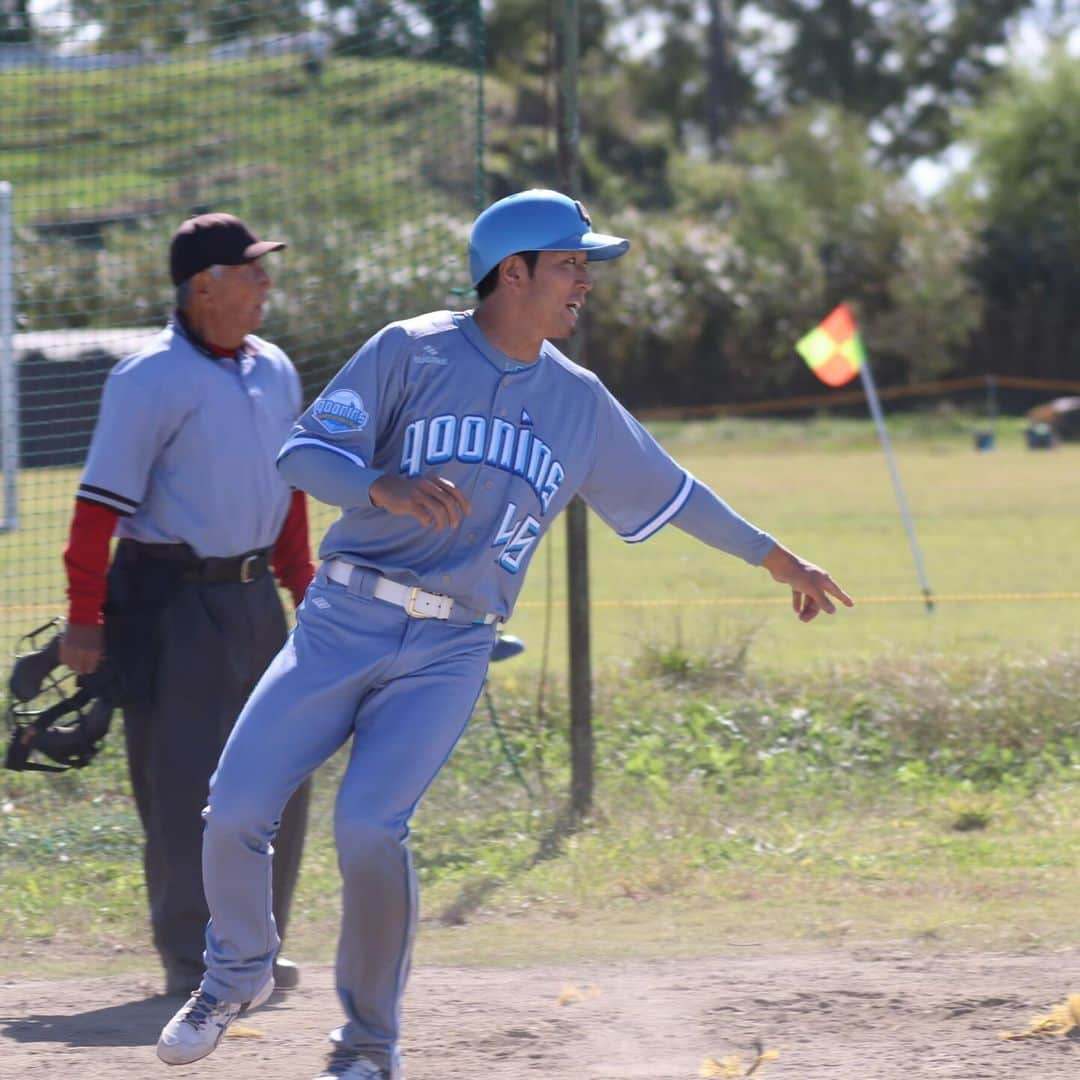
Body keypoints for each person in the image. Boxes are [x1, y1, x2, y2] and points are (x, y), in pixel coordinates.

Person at [156, 190, 853, 1079]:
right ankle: (236, 973)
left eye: (587, 266)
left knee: (370, 828)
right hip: (343, 619)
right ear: (511, 271)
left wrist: (775, 559)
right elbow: (302, 456)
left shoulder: (581, 403)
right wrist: (384, 487)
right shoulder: (411, 349)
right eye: (571, 263)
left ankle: (368, 1048)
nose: (585, 283)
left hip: (450, 648)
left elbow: (677, 493)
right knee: (237, 806)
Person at [60, 213, 315, 998]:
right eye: (250, 270)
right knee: (182, 791)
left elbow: (291, 495)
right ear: (204, 287)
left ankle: (253, 950)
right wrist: (83, 617)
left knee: (278, 776)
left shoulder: (275, 368)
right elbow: (96, 511)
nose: (265, 282)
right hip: (171, 603)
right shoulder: (148, 379)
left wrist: (308, 593)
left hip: (254, 604)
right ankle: (189, 957)